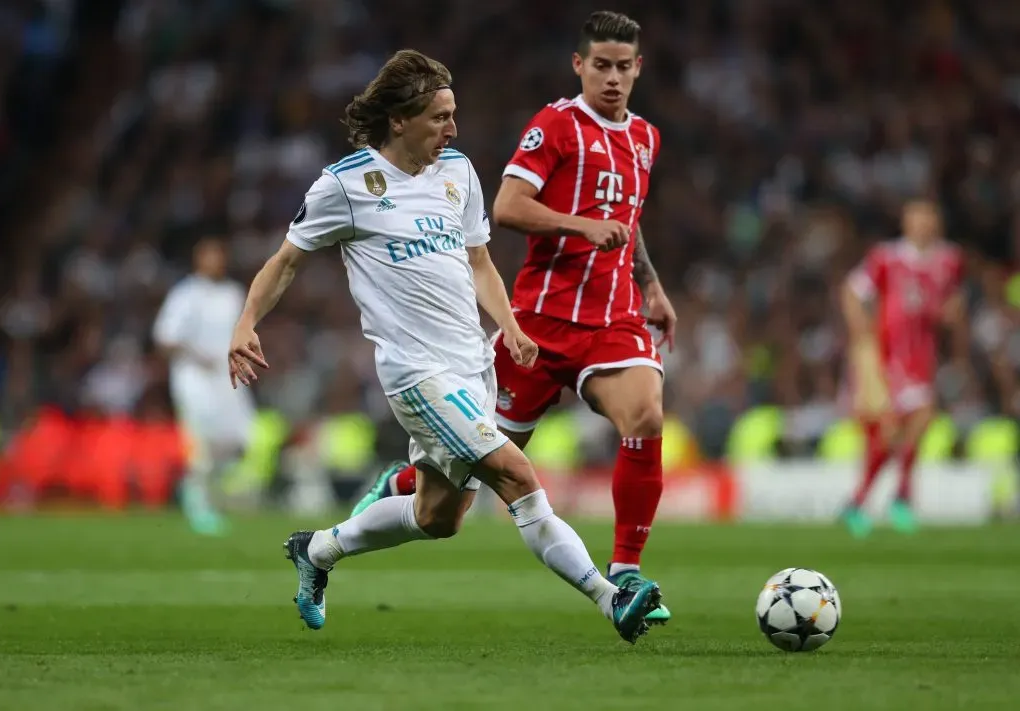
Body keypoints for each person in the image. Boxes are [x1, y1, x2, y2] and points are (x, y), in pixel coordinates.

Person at [227, 49, 662, 643]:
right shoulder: (346, 186)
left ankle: (318, 549)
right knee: (516, 474)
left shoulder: (457, 170)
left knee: (438, 517)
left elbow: (480, 261)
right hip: (418, 374)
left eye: (453, 115)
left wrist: (508, 326)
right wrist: (246, 321)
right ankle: (611, 598)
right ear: (399, 121)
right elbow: (285, 264)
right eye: (439, 117)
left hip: (473, 364)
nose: (452, 129)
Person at [352, 11, 675, 624]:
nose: (611, 78)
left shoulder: (645, 138)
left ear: (639, 69)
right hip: (537, 322)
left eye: (622, 67)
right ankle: (405, 482)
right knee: (460, 494)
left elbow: (627, 223)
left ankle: (626, 572)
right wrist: (582, 226)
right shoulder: (554, 125)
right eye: (600, 65)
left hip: (611, 318)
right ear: (580, 65)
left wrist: (651, 285)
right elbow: (508, 206)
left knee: (647, 412)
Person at [841, 199, 966, 537]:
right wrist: (863, 337)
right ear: (906, 223)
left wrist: (949, 316)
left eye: (929, 218)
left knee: (910, 428)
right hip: (889, 355)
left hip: (922, 358)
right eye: (917, 218)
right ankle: (897, 499)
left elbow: (950, 303)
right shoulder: (886, 258)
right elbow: (852, 292)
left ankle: (862, 502)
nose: (923, 225)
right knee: (902, 425)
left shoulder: (949, 260)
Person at [153, 238, 254, 535]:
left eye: (218, 255)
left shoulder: (234, 293)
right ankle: (199, 504)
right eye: (208, 256)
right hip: (194, 379)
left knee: (238, 438)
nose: (214, 261)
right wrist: (198, 355)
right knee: (201, 444)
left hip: (229, 377)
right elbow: (165, 338)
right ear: (198, 260)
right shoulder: (186, 294)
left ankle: (205, 490)